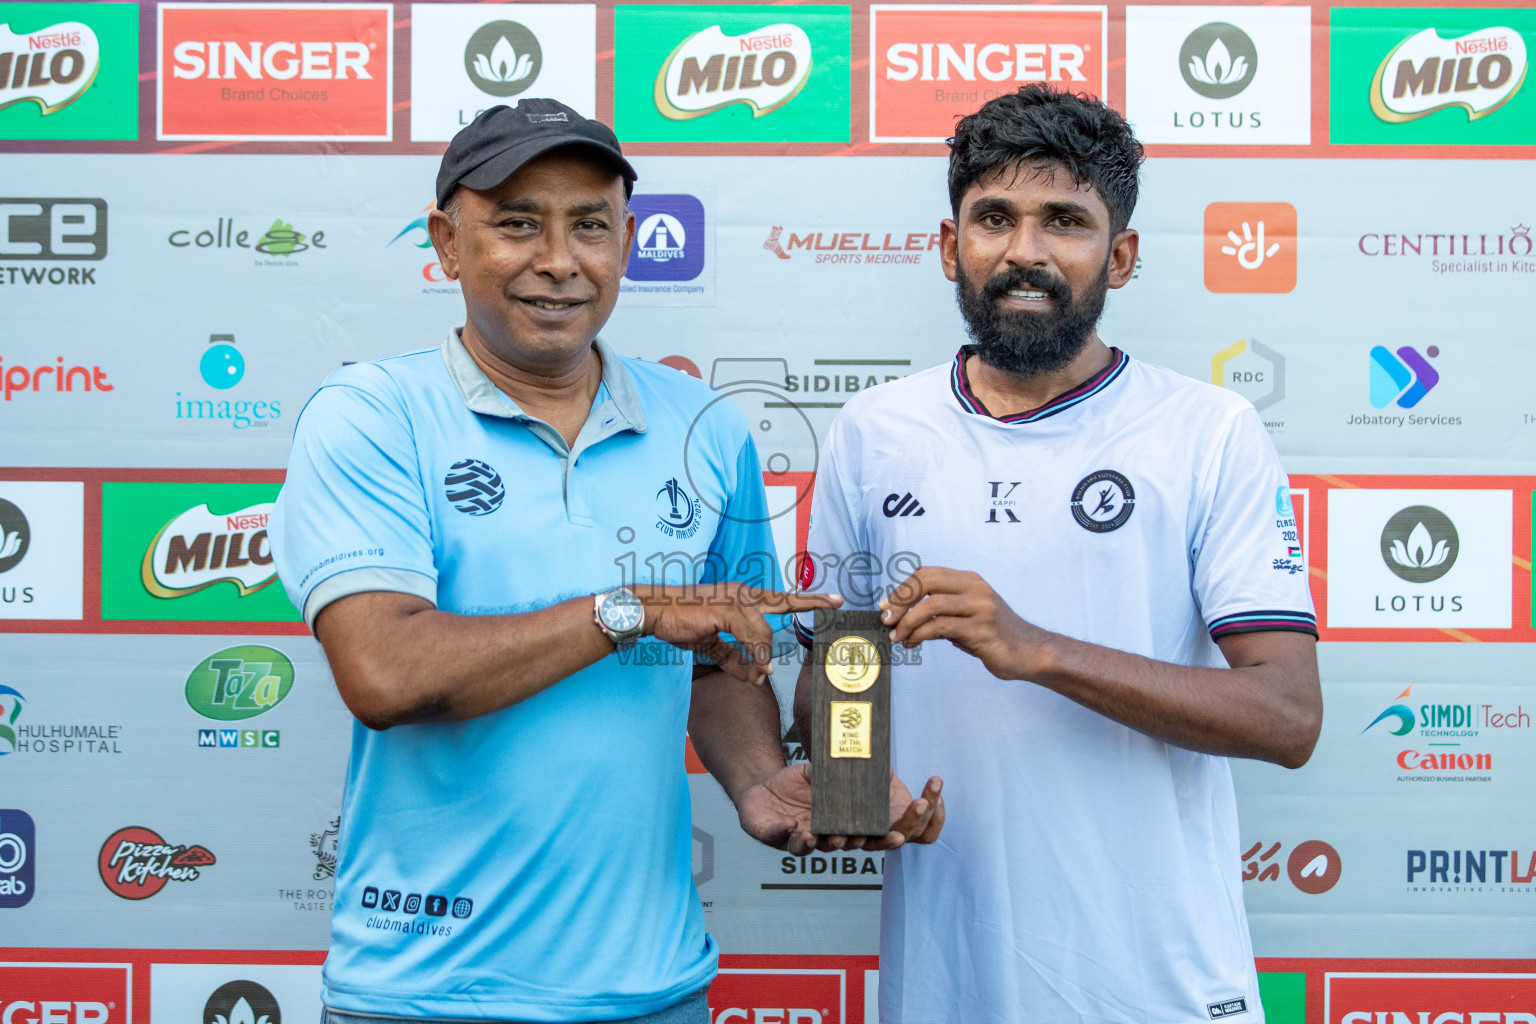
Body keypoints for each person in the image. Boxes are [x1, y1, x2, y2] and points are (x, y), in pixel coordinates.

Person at [271, 98, 942, 1024]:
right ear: (446, 240)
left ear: (627, 241)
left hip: (654, 989)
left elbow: (724, 659)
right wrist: (629, 608)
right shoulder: (371, 416)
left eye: (590, 225)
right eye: (516, 224)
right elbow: (385, 673)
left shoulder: (705, 426)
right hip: (427, 991)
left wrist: (757, 784)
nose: (558, 261)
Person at [793, 84, 1322, 1023]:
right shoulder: (873, 429)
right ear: (950, 245)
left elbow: (1286, 717)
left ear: (1118, 257)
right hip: (943, 987)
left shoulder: (1208, 431)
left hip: (1154, 986)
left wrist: (1037, 649)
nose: (1025, 252)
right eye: (994, 216)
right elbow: (841, 664)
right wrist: (850, 781)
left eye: (1064, 222)